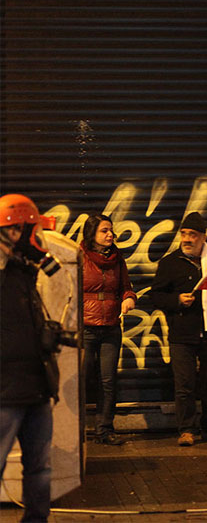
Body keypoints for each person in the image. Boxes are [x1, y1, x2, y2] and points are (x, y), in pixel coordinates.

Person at [150, 212, 207, 446]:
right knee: (185, 385)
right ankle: (186, 430)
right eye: (184, 234)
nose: (187, 239)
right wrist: (177, 300)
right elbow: (155, 296)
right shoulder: (170, 263)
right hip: (182, 334)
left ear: (203, 237)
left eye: (193, 235)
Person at [0, 194, 56, 521]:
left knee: (40, 470)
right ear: (13, 230)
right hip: (5, 390)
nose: (33, 237)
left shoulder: (23, 271)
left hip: (36, 386)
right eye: (28, 230)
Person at [81, 214, 136, 445]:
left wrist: (129, 298)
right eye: (104, 230)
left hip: (111, 327)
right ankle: (74, 432)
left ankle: (104, 430)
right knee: (80, 380)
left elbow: (126, 287)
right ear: (92, 234)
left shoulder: (117, 257)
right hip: (84, 328)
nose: (110, 235)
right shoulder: (78, 256)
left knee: (107, 380)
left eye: (111, 230)